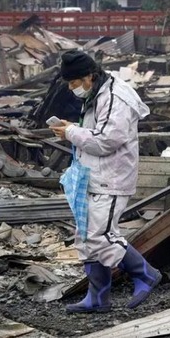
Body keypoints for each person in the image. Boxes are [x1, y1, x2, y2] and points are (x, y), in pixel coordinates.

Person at [49, 50, 160, 314]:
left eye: (74, 83)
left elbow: (106, 141)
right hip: (94, 176)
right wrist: (71, 129)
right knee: (86, 238)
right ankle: (97, 298)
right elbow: (97, 131)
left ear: (88, 76)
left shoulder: (115, 97)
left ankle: (145, 274)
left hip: (111, 178)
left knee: (101, 236)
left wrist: (71, 132)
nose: (72, 89)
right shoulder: (97, 93)